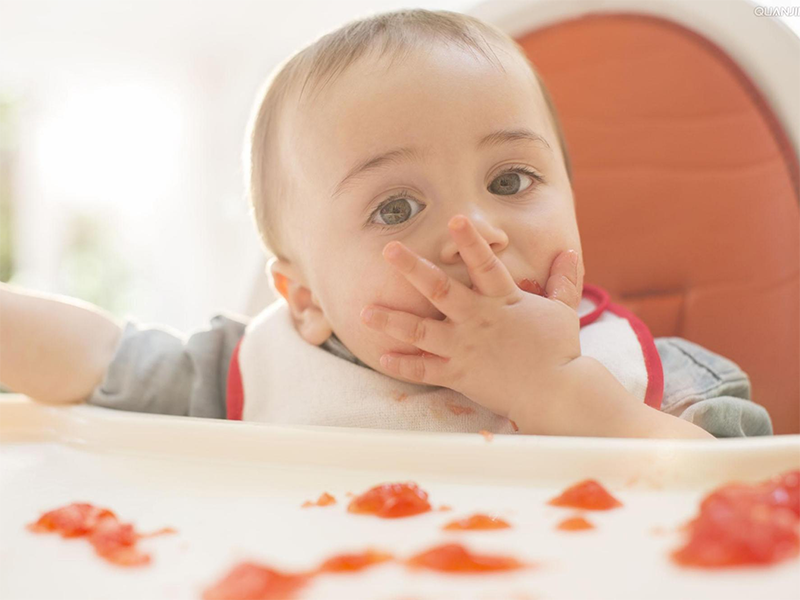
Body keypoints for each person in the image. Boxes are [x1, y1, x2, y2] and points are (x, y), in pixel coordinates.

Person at [0, 10, 772, 439]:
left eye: (511, 180)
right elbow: (100, 360)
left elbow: (740, 498)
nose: (477, 230)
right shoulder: (254, 378)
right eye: (395, 208)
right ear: (302, 300)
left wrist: (562, 394)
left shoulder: (665, 383)